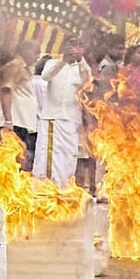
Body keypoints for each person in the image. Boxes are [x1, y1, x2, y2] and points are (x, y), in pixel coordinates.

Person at [32, 35, 92, 187]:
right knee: (51, 158)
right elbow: (45, 76)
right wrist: (63, 60)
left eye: (78, 45)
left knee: (69, 156)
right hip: (53, 118)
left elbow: (88, 82)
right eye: (71, 44)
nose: (74, 48)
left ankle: (64, 191)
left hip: (72, 120)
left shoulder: (83, 67)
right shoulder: (53, 62)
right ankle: (48, 190)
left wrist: (80, 60)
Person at [0, 39, 41, 171]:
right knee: (10, 162)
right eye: (36, 52)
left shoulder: (25, 68)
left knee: (20, 161)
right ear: (25, 50)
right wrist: (8, 120)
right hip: (14, 123)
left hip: (23, 123)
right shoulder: (15, 66)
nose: (38, 56)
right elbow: (6, 90)